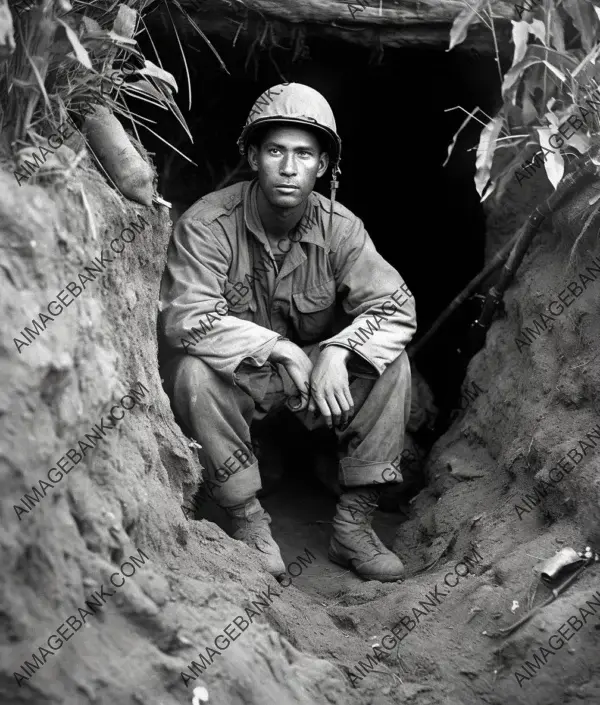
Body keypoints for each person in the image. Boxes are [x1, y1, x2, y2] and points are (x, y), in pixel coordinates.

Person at [159, 82, 416, 582]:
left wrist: (339, 351)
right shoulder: (208, 223)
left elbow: (395, 306)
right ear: (253, 156)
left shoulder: (341, 228)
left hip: (314, 384)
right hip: (245, 380)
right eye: (275, 150)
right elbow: (185, 316)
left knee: (393, 364)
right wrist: (275, 348)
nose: (289, 166)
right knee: (190, 371)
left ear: (322, 166)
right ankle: (248, 523)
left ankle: (353, 527)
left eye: (304, 154)